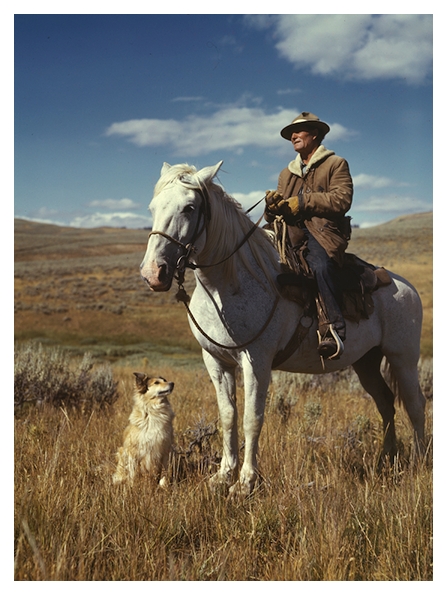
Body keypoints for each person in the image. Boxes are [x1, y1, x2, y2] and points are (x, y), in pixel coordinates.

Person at [264, 112, 353, 360]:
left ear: (314, 134)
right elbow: (280, 211)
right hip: (288, 232)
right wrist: (272, 208)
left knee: (321, 266)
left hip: (323, 232)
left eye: (299, 131)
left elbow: (341, 200)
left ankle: (332, 329)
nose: (293, 136)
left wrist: (303, 202)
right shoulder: (287, 173)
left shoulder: (335, 164)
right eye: (291, 134)